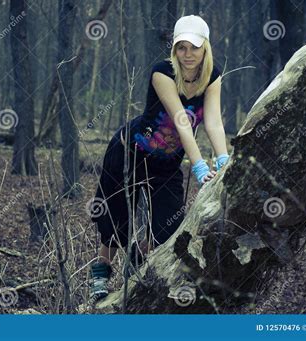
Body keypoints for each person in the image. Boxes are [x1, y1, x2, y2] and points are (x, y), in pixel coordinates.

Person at [88, 15, 230, 301]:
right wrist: (200, 166)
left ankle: (138, 261)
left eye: (194, 47)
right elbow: (181, 119)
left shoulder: (213, 77)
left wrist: (224, 159)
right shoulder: (162, 72)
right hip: (130, 153)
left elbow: (213, 122)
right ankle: (101, 276)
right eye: (182, 48)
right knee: (115, 220)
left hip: (166, 165)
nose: (188, 55)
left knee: (167, 226)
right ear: (174, 50)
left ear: (206, 49)